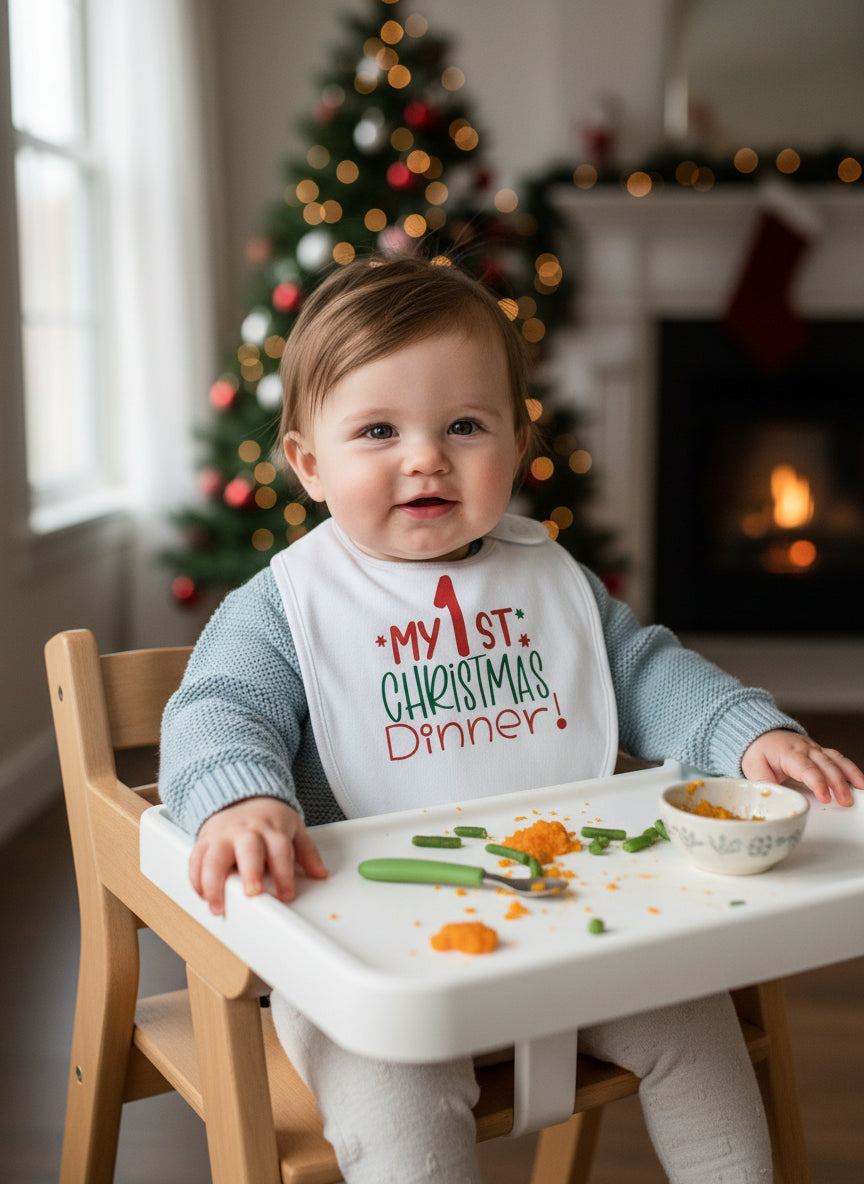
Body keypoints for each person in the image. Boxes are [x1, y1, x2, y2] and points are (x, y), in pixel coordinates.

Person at [160, 254, 862, 1184]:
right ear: (308, 462)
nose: (426, 456)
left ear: (519, 442)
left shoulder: (548, 578)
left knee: (699, 1026)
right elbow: (217, 709)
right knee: (398, 1109)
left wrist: (747, 735)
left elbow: (648, 672)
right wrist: (240, 798)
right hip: (381, 956)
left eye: (463, 425)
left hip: (578, 921)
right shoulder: (285, 607)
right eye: (378, 430)